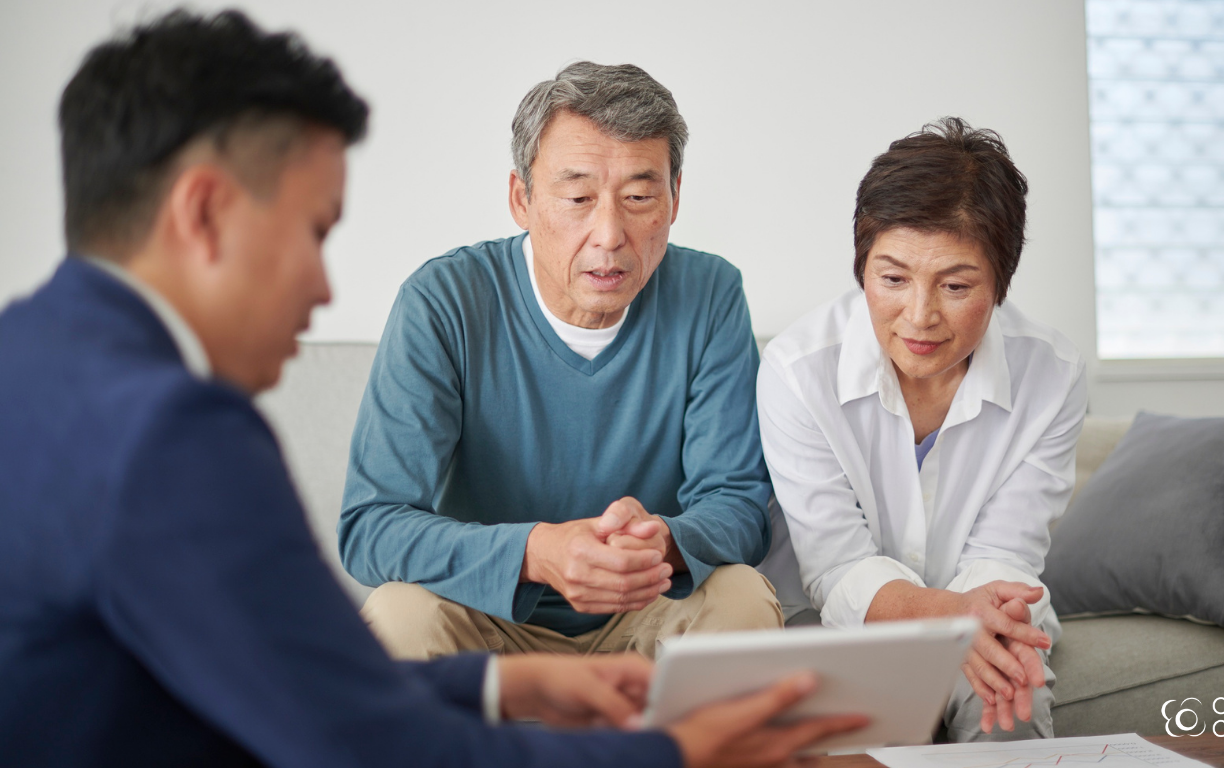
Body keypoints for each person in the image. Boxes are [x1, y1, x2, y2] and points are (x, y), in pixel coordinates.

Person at [0, 10, 864, 767]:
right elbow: (361, 735)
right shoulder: (173, 433)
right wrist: (672, 751)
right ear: (203, 212)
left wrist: (503, 686)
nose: (324, 292)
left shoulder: (31, 363)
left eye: (640, 195)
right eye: (314, 231)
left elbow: (312, 686)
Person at [340, 61, 781, 661]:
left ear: (675, 199)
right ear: (521, 199)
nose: (609, 234)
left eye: (639, 197)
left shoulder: (710, 293)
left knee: (742, 598)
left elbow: (738, 504)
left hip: (646, 611)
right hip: (487, 616)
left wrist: (663, 542)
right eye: (577, 197)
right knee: (397, 615)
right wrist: (535, 552)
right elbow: (372, 525)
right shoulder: (442, 301)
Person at [756, 118, 1088, 742]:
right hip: (845, 625)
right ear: (862, 268)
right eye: (892, 279)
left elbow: (1006, 556)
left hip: (984, 610)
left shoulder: (1053, 373)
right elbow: (836, 568)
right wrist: (948, 617)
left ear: (1001, 283)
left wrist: (974, 625)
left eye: (957, 286)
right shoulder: (798, 371)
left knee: (1009, 699)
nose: (920, 316)